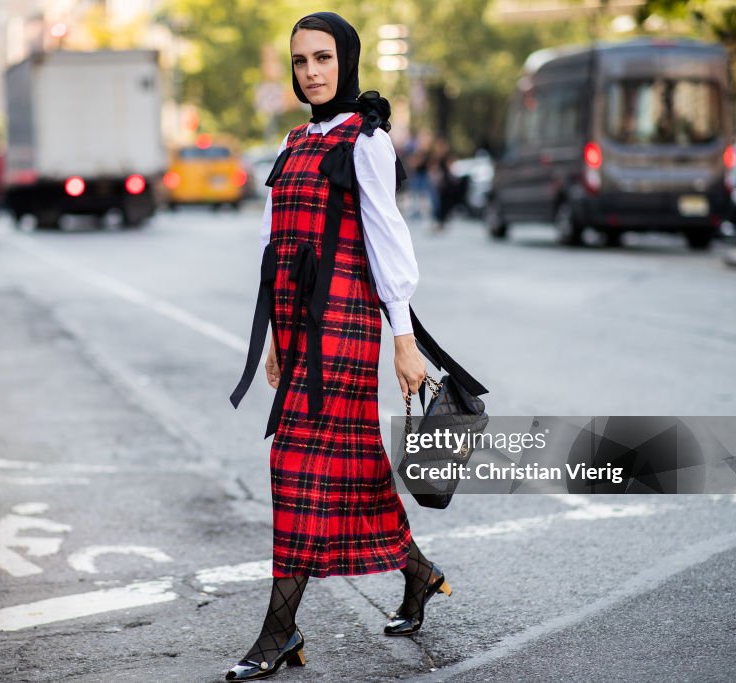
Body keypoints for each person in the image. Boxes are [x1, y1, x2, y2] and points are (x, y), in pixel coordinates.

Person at [227, 12, 451, 681]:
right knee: (353, 474)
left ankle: (279, 630)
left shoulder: (368, 138)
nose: (312, 72)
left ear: (346, 60)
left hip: (347, 328)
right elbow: (276, 245)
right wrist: (271, 335)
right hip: (298, 331)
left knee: (293, 468)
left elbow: (388, 242)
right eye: (300, 61)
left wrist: (404, 340)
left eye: (323, 58)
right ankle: (419, 574)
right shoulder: (295, 140)